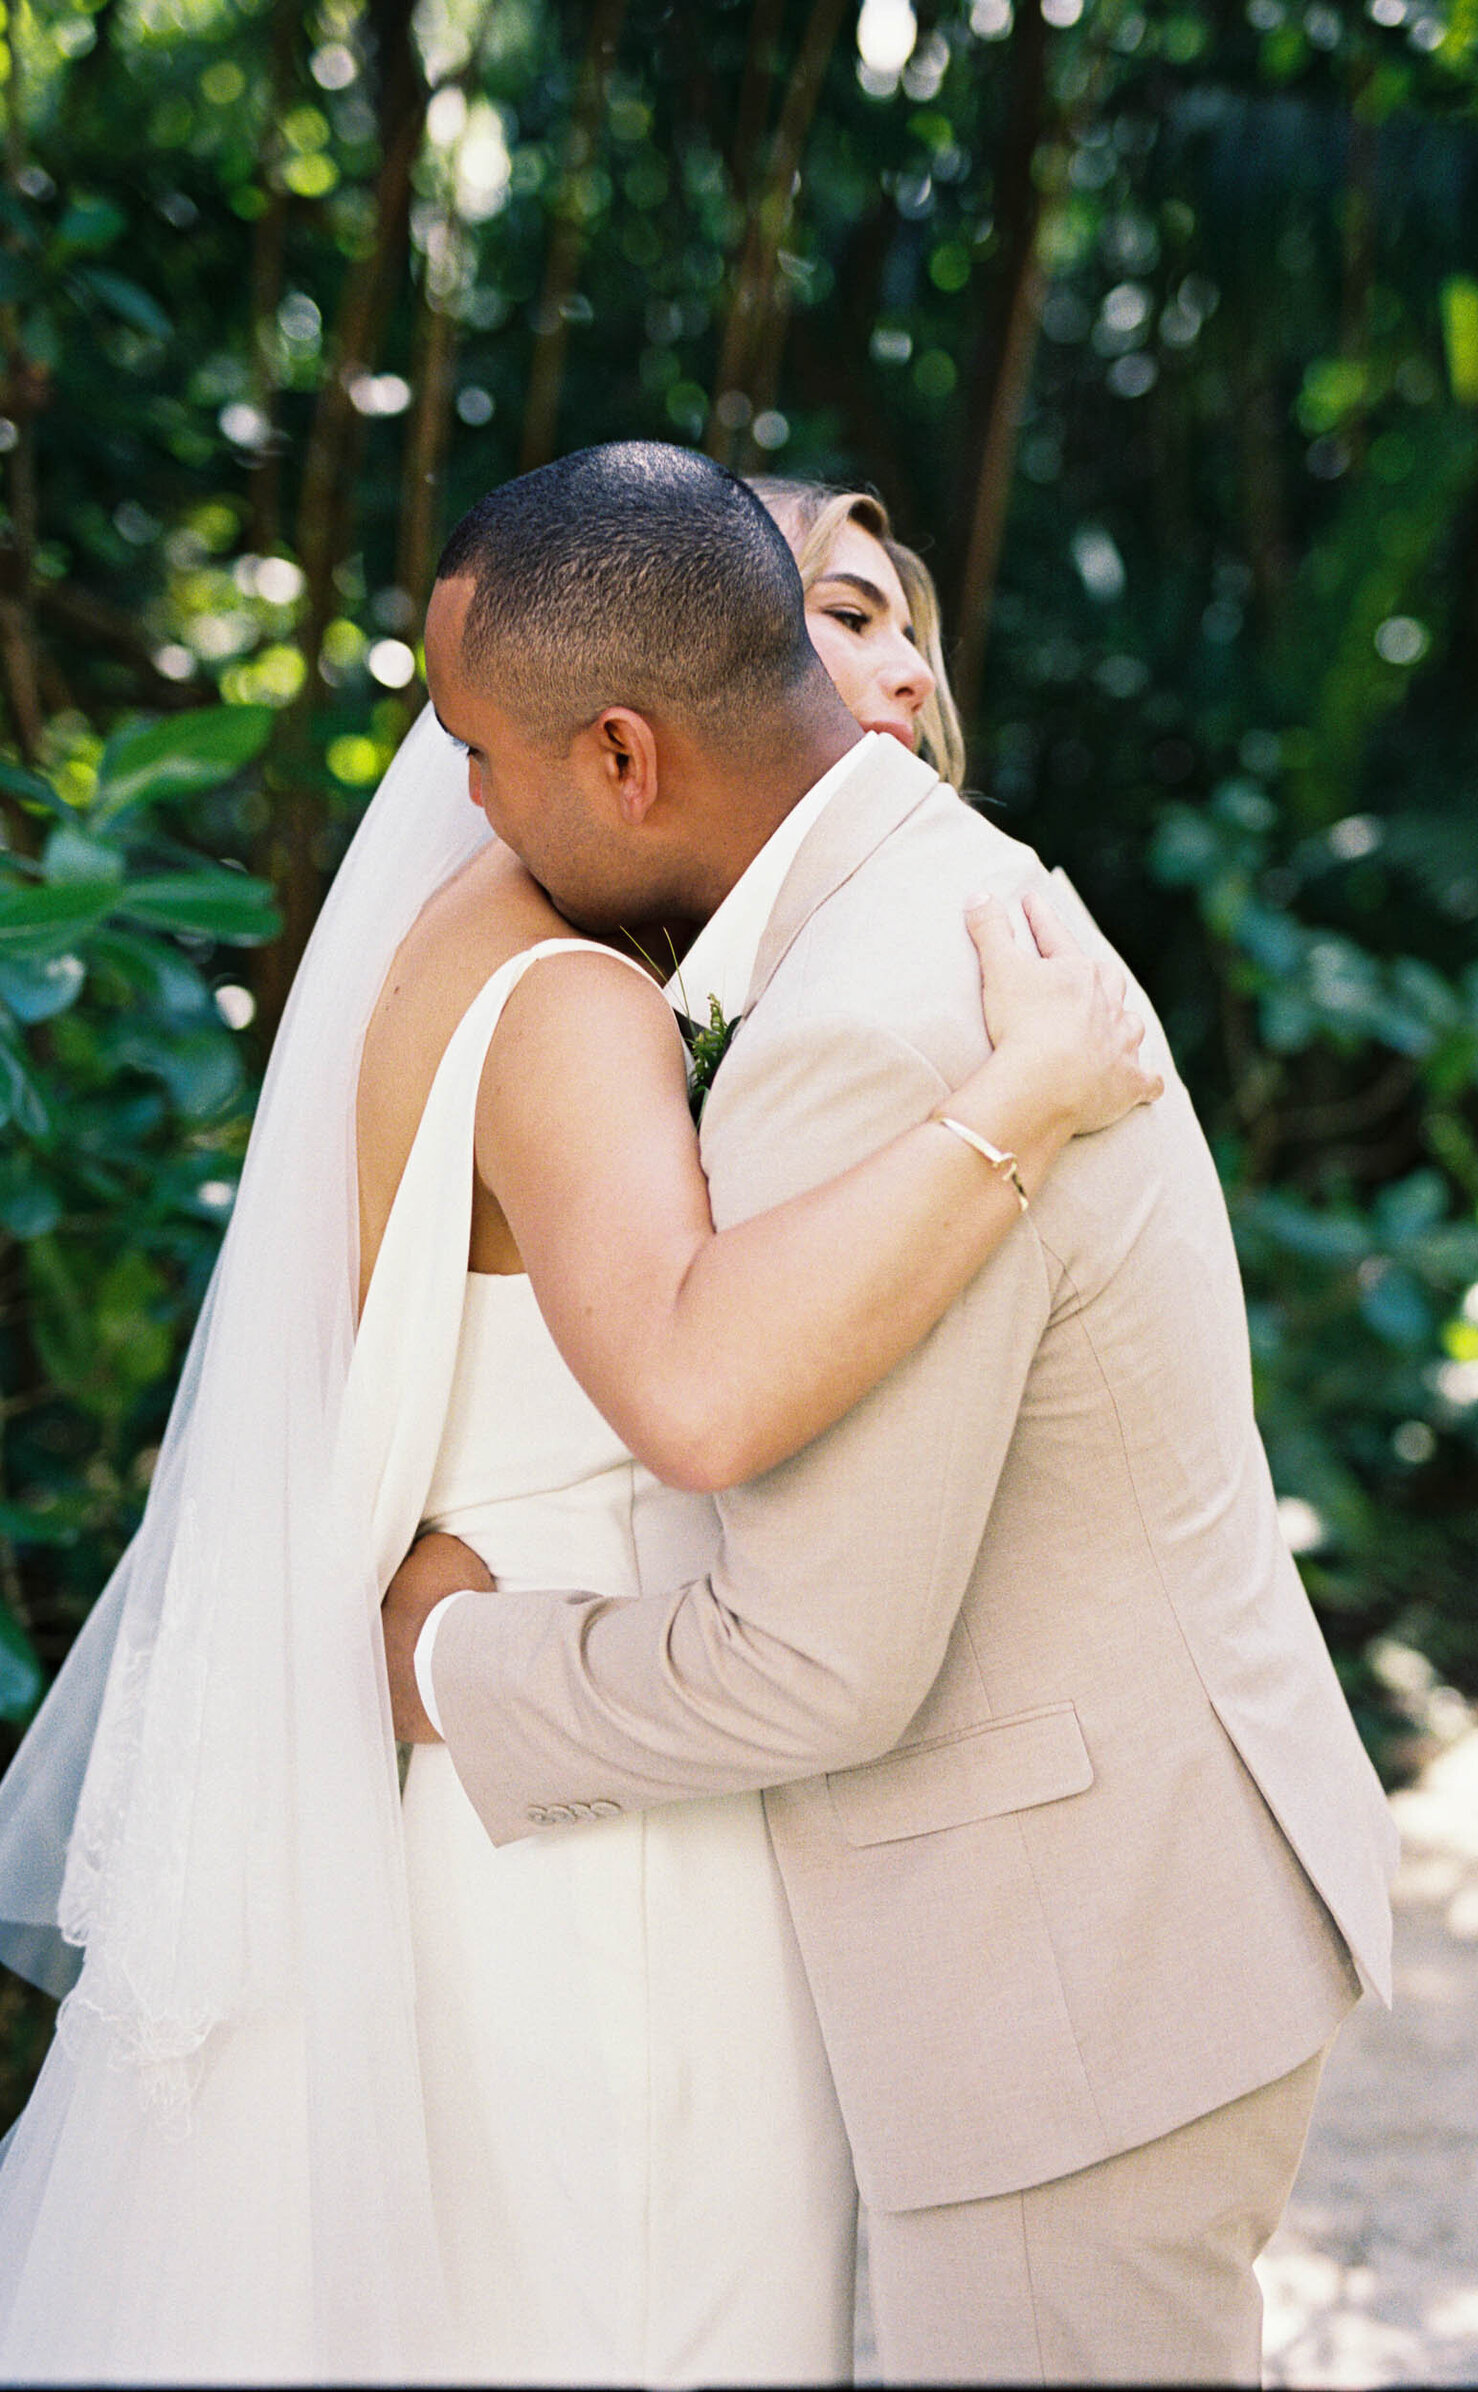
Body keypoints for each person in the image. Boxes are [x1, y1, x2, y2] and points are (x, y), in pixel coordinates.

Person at [0, 447, 1153, 2383]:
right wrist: (1015, 1102)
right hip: (612, 1838)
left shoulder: (496, 964)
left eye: (479, 746)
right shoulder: (564, 1005)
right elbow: (697, 1381)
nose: (458, 793)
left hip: (510, 1800)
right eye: (831, 621)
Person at [386, 444, 1402, 2389]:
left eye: (482, 751)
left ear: (619, 757)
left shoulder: (864, 1020)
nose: (466, 805)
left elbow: (811, 1669)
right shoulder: (927, 903)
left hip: (1069, 1994)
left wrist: (449, 1657)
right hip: (1147, 1903)